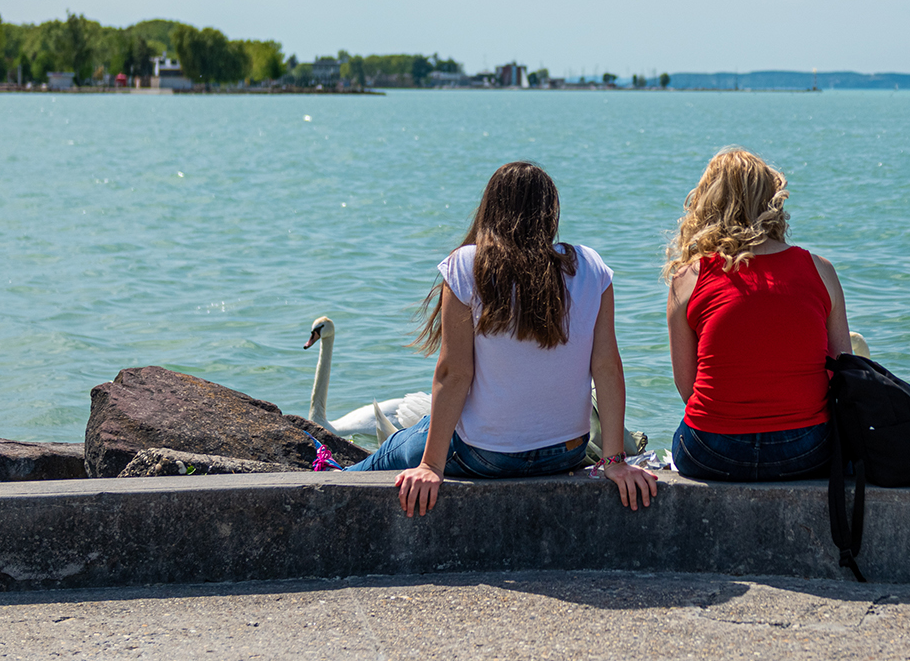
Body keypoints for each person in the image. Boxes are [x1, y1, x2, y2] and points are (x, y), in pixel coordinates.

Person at [349, 161, 659, 517]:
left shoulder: (467, 265)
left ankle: (332, 479)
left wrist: (431, 466)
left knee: (397, 448)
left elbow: (453, 373)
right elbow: (607, 367)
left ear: (490, 210)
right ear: (550, 213)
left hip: (485, 456)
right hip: (566, 450)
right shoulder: (589, 267)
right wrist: (615, 460)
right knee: (420, 430)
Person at [665, 147, 853, 481]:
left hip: (711, 450)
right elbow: (843, 373)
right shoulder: (820, 270)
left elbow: (688, 387)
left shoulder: (688, 278)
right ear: (772, 202)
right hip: (807, 447)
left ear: (707, 202)